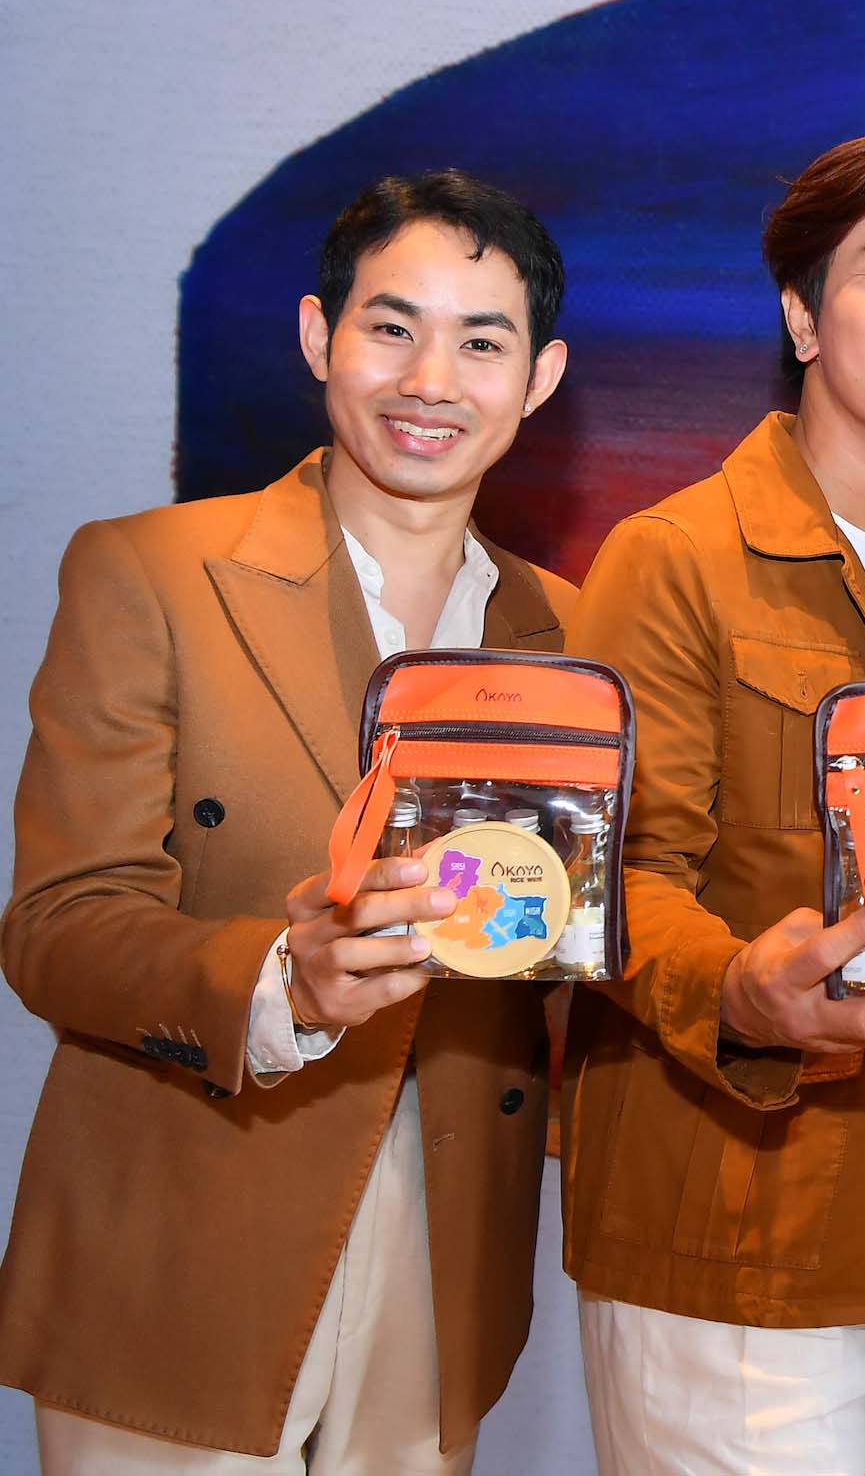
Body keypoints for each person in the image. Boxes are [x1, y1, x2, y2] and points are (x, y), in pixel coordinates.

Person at [0, 172, 574, 1472]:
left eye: (482, 342)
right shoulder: (151, 571)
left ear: (538, 377)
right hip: (183, 1227)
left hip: (447, 1242)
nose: (430, 379)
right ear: (320, 335)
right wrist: (280, 977)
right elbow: (58, 925)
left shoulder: (574, 636)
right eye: (392, 326)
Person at [559, 124, 865, 1476]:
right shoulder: (675, 556)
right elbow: (607, 883)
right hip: (739, 1211)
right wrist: (737, 989)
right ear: (800, 312)